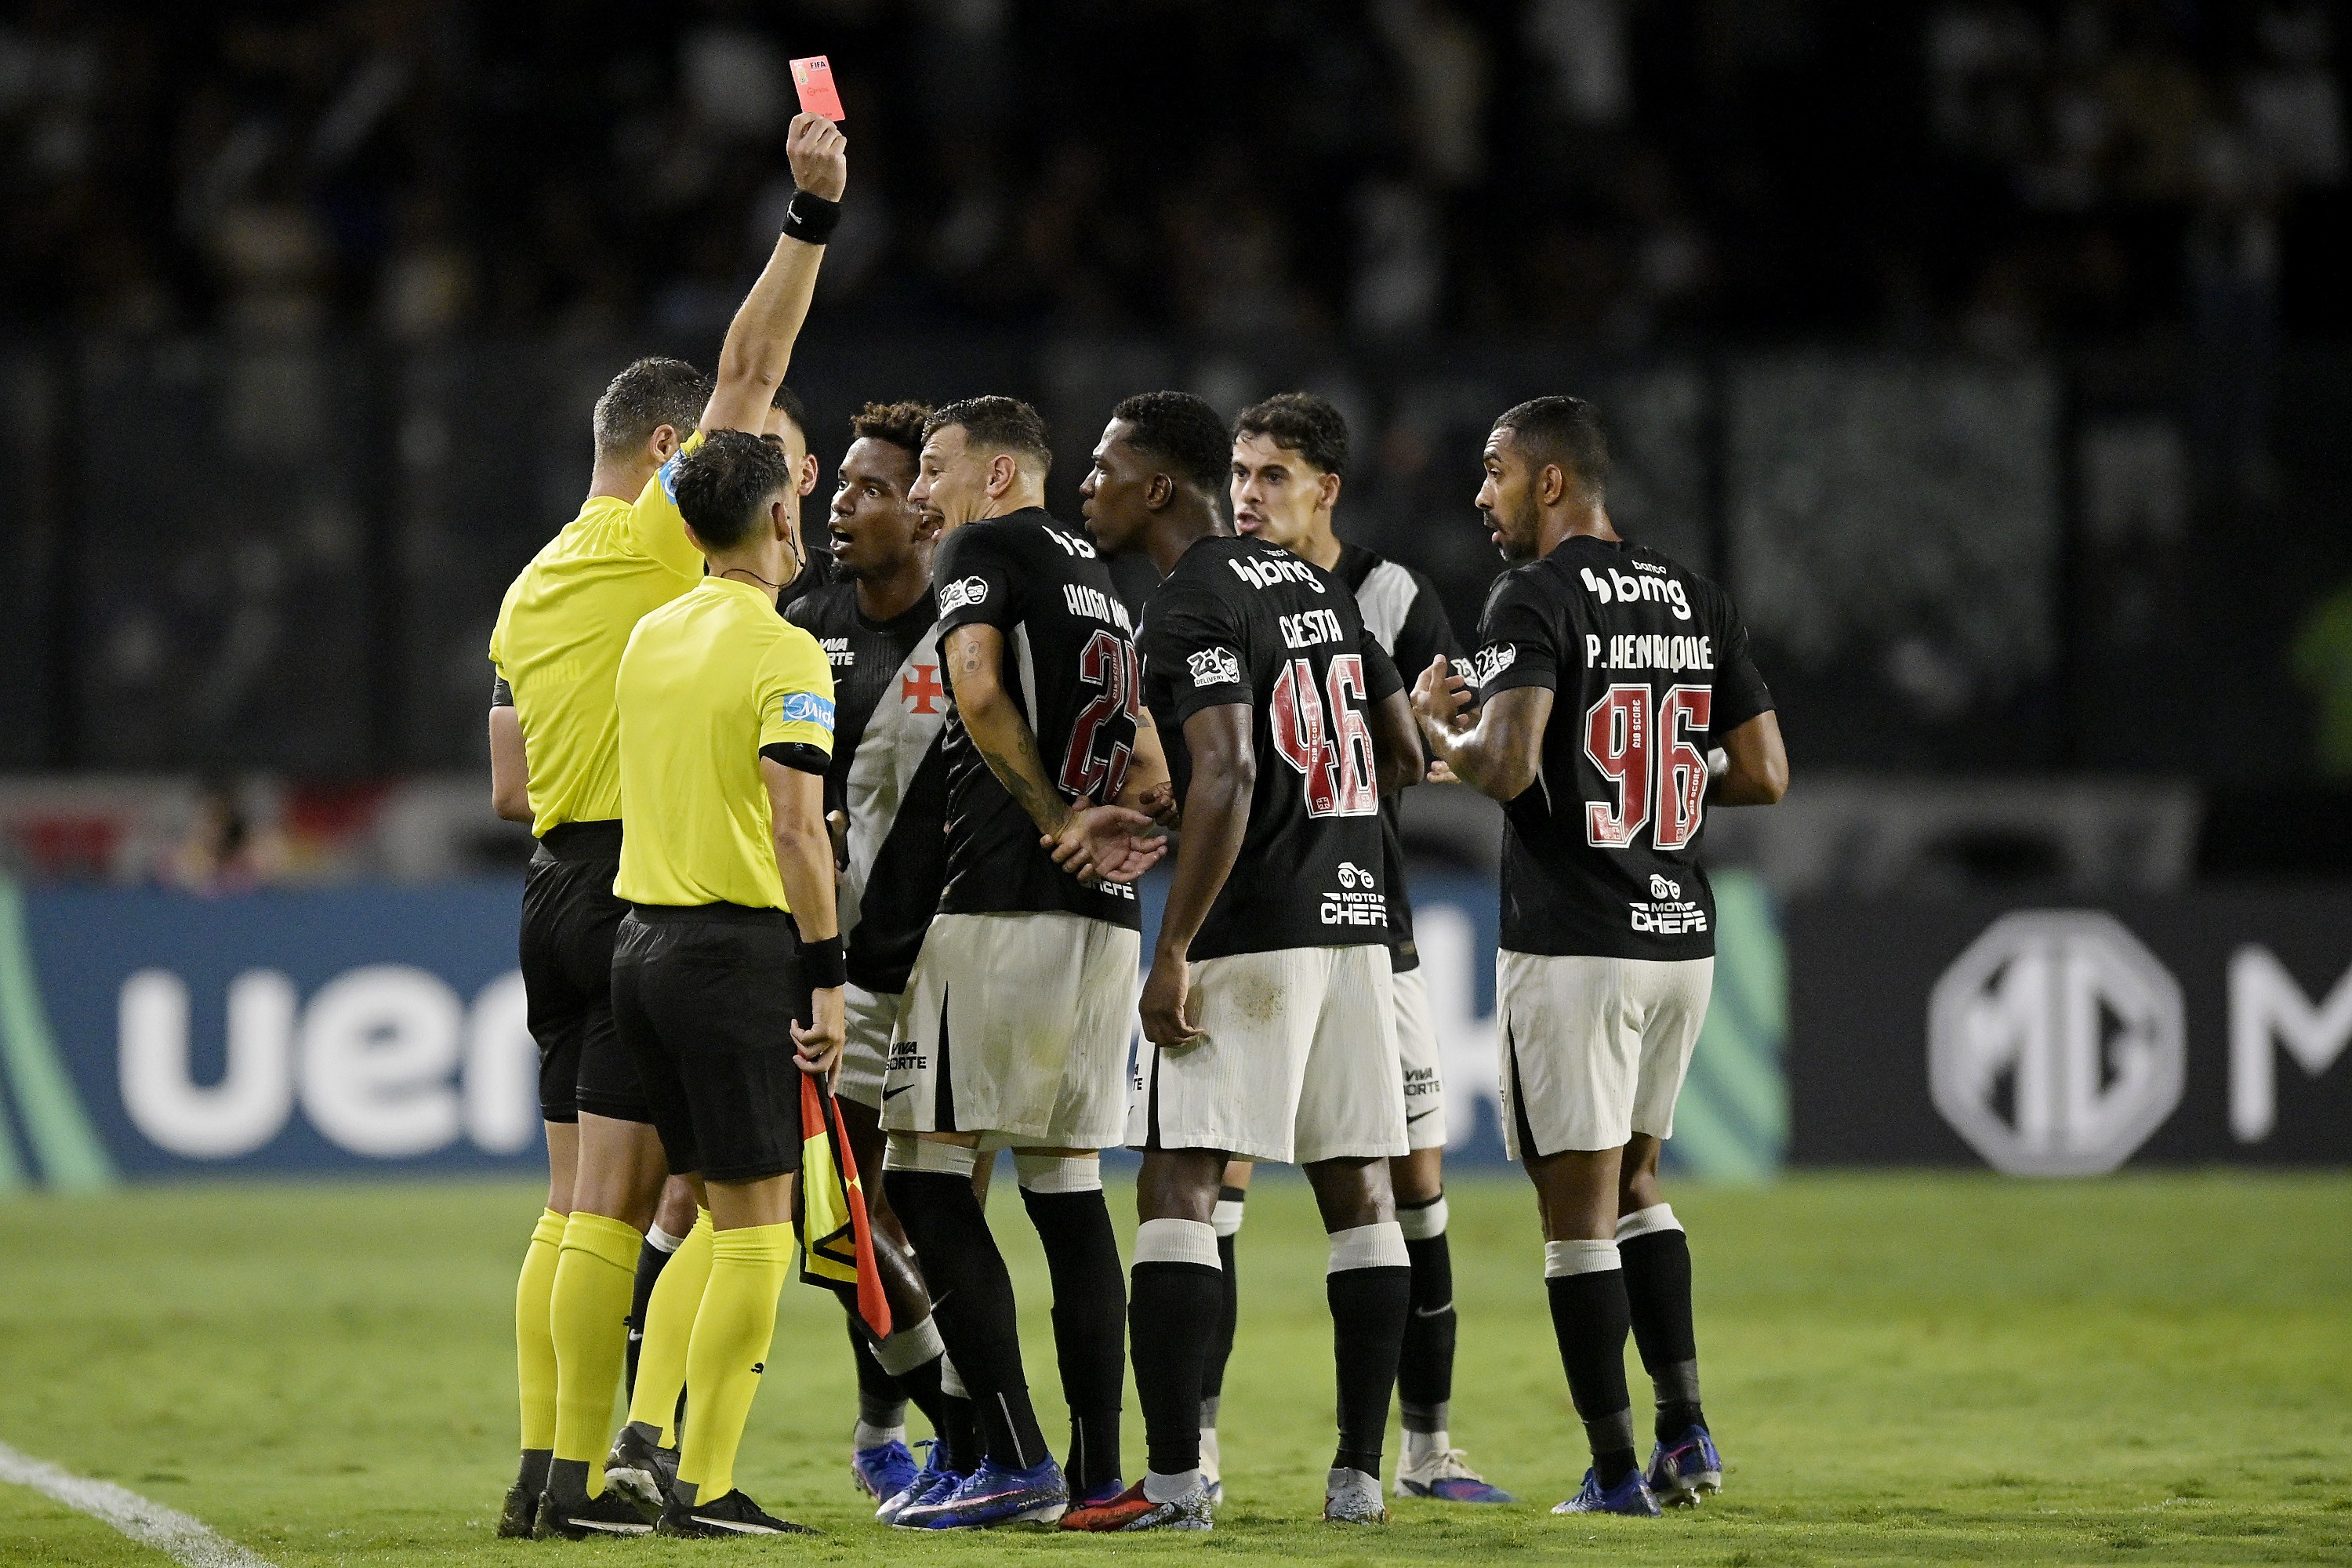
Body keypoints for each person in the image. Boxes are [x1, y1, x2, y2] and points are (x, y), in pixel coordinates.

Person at [486, 108, 848, 1541]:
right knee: (690, 1202)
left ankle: (551, 1478)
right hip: (655, 890)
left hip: (553, 886)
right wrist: (809, 215)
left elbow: (509, 786)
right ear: (663, 447)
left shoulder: (529, 589)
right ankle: (667, 1464)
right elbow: (752, 365)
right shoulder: (663, 543)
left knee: (578, 1208)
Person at [1407, 396, 1787, 1518]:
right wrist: (1658, 772)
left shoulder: (1534, 595)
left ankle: (1616, 1474)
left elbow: (1508, 766)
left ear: (1552, 481)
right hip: (1679, 934)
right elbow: (1765, 773)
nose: (1482, 495)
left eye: (1495, 471)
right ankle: (1686, 1434)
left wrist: (1435, 728)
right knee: (1637, 1187)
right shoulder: (1695, 596)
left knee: (1574, 1218)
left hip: (1577, 941)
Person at [1065, 390, 1425, 1530]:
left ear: (1157, 488)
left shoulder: (1189, 600)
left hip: (1256, 927)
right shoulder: (1321, 587)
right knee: (1359, 1190)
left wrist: (1173, 946)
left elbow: (1229, 770)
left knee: (1178, 1181)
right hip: (1359, 917)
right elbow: (1403, 748)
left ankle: (1176, 1483)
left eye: (1105, 468)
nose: (1089, 486)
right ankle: (1358, 1480)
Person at [1207, 391, 1510, 1505]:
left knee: (1412, 1181)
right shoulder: (1216, 588)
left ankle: (1426, 1448)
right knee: (1217, 1177)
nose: (1248, 496)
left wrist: (1426, 726)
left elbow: (1455, 740)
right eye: (1239, 474)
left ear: (1325, 489)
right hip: (1255, 921)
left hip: (1369, 920)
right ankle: (1198, 1452)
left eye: (1272, 477)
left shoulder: (1391, 597)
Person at [877, 396, 1168, 1530]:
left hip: (1001, 905)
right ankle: (1097, 1479)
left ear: (997, 474)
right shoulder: (1101, 579)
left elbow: (978, 688)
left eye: (936, 467)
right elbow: (1150, 763)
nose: (922, 490)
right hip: (1105, 920)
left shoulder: (981, 550)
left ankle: (1012, 1456)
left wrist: (1054, 819)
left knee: (924, 1177)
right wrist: (1123, 826)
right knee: (1067, 1191)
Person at [605, 426, 845, 1537]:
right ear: (782, 517)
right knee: (760, 1228)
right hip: (731, 955)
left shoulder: (650, 633)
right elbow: (797, 829)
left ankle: (640, 1436)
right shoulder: (785, 653)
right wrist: (827, 978)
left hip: (641, 948)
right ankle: (704, 1488)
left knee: (705, 1200)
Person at [782, 401, 982, 1518]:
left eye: (871, 490)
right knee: (853, 1213)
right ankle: (908, 1431)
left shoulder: (970, 627)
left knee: (944, 1209)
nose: (841, 508)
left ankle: (940, 1435)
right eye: (841, 486)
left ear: (924, 511)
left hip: (954, 965)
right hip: (844, 969)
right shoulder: (805, 623)